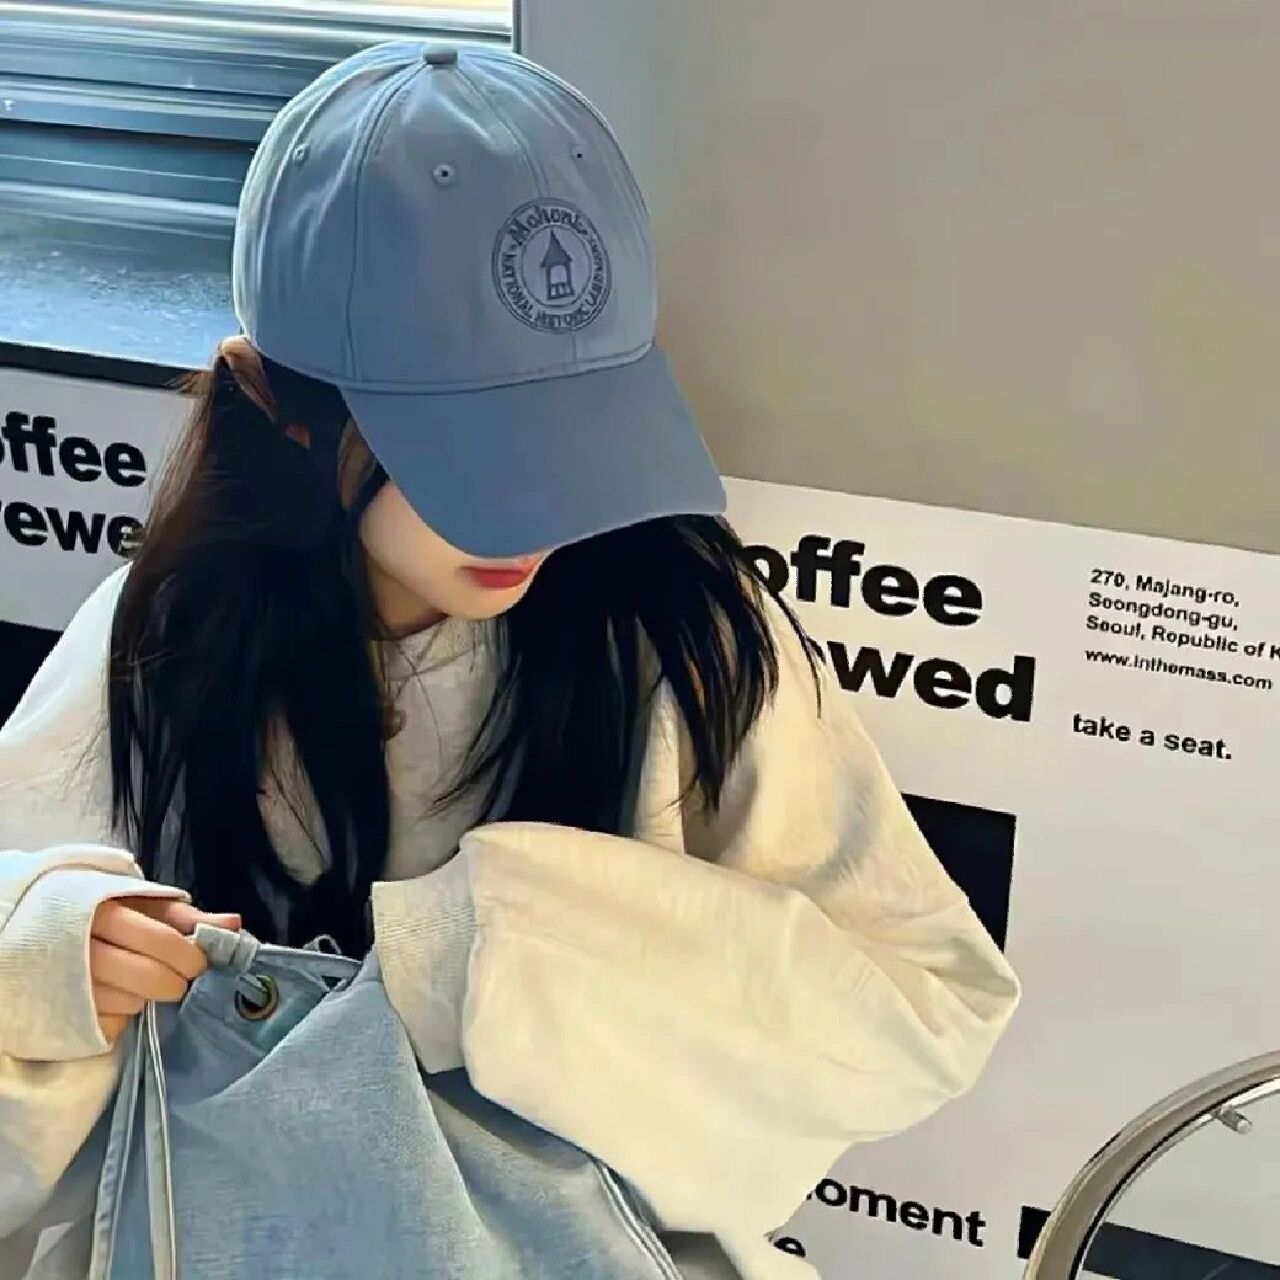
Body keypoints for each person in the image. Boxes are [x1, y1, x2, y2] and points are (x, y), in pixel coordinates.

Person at [0, 42, 1018, 1280]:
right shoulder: (167, 633)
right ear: (273, 404)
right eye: (464, 455)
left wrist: (501, 943)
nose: (535, 510)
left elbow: (921, 1007)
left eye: (573, 433)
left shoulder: (680, 629)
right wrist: (49, 951)